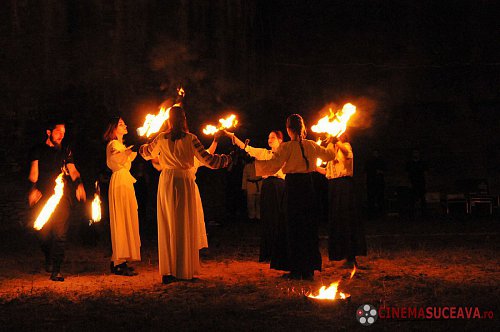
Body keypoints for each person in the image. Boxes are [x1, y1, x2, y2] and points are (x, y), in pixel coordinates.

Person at [139, 106, 231, 283]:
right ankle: (182, 271)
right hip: (183, 182)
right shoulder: (191, 139)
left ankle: (169, 272)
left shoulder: (161, 137)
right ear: (184, 119)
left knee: (169, 225)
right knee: (183, 225)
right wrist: (227, 159)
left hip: (166, 181)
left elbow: (146, 154)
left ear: (169, 120)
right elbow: (209, 160)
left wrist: (143, 145)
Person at [250, 114, 335, 280]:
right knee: (308, 226)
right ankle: (308, 269)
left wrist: (256, 164)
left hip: (294, 188)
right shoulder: (311, 145)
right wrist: (331, 141)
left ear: (289, 129)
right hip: (309, 187)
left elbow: (274, 165)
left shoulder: (286, 147)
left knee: (293, 226)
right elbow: (330, 156)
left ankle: (297, 269)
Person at [28, 120, 86, 282]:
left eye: (63, 132)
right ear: (49, 132)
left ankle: (57, 270)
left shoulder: (66, 151)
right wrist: (33, 189)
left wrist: (79, 184)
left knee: (60, 234)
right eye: (58, 131)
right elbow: (34, 173)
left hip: (62, 197)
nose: (61, 135)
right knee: (43, 232)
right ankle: (48, 256)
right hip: (43, 196)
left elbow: (72, 170)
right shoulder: (38, 150)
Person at [227, 130, 285, 264]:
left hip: (280, 186)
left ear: (280, 140)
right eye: (268, 137)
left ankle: (280, 252)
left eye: (273, 137)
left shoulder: (285, 152)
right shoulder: (264, 153)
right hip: (268, 185)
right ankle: (268, 252)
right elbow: (247, 148)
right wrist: (233, 137)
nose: (269, 139)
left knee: (279, 218)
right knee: (268, 218)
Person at [104, 117, 141, 276]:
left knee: (127, 218)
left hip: (125, 181)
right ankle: (118, 262)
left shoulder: (121, 145)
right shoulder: (113, 144)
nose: (125, 125)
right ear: (113, 128)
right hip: (119, 182)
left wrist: (130, 150)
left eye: (124, 123)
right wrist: (128, 151)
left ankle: (121, 260)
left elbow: (127, 154)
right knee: (121, 219)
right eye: (120, 124)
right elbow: (116, 158)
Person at [322, 133, 366, 269]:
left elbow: (347, 154)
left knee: (346, 218)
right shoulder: (331, 149)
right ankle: (341, 254)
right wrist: (313, 167)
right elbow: (328, 171)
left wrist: (337, 142)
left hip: (344, 185)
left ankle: (351, 256)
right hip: (333, 186)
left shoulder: (345, 146)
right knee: (337, 219)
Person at [406, 149, 427, 218]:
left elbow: (425, 173)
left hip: (421, 182)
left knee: (422, 198)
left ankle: (424, 214)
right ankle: (411, 214)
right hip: (413, 182)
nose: (416, 154)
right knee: (412, 198)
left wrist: (425, 182)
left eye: (417, 153)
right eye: (414, 153)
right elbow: (408, 173)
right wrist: (409, 182)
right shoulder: (410, 163)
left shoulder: (422, 163)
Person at [365, 149, 386, 218]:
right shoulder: (369, 162)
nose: (375, 155)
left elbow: (384, 170)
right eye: (374, 153)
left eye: (376, 153)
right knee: (371, 198)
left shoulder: (381, 162)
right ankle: (372, 213)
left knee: (380, 197)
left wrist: (380, 172)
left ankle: (380, 213)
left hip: (379, 182)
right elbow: (366, 170)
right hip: (371, 182)